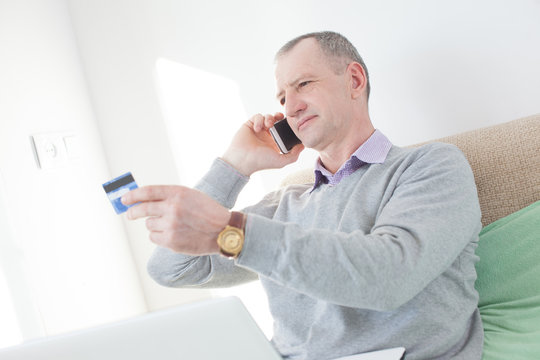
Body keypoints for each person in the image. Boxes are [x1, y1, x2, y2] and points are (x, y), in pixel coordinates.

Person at [122, 31, 484, 359]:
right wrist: (234, 167)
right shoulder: (284, 204)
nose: (289, 106)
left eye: (304, 84)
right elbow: (171, 267)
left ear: (354, 80)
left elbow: (389, 277)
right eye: (282, 96)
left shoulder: (429, 166)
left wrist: (238, 232)